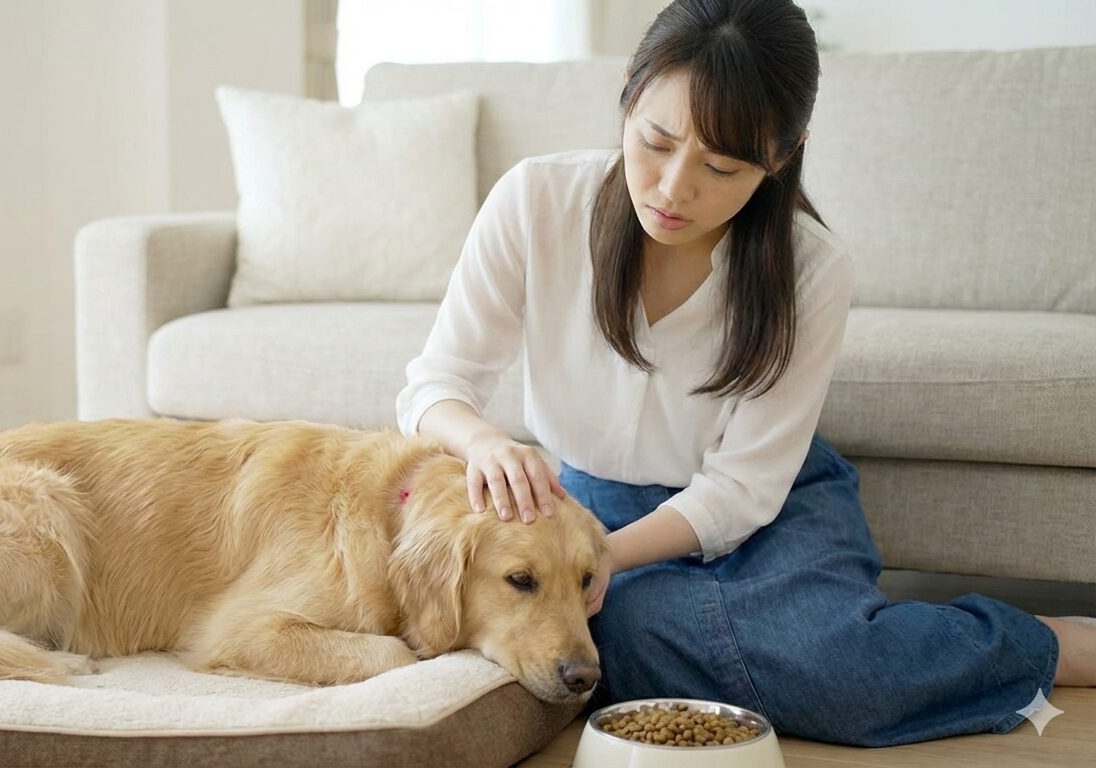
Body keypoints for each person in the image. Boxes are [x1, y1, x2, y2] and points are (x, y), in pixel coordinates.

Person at [395, 0, 1095, 747]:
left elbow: (742, 489)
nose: (673, 188)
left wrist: (600, 559)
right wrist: (484, 443)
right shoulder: (535, 200)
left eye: (721, 167)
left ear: (783, 155)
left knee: (840, 673)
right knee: (607, 640)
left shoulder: (810, 269)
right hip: (597, 506)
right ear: (629, 92)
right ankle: (804, 647)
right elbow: (436, 384)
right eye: (656, 142)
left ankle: (1047, 643)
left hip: (773, 509)